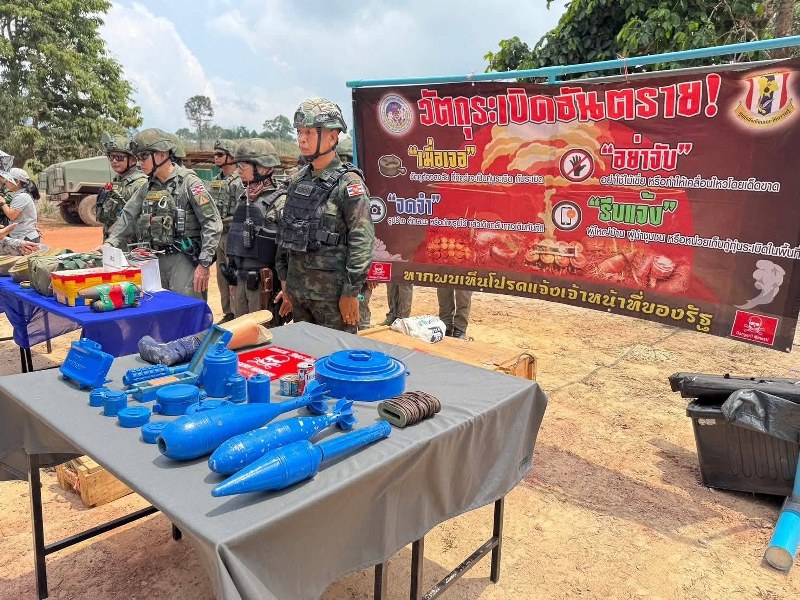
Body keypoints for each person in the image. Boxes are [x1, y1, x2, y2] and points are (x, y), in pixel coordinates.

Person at [275, 97, 375, 333]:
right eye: (299, 132)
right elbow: (287, 234)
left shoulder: (348, 184)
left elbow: (362, 241)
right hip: (299, 294)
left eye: (309, 132)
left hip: (333, 298)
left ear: (332, 136)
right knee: (303, 353)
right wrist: (286, 281)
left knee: (337, 354)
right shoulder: (297, 181)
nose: (302, 139)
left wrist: (351, 292)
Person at [104, 128, 222, 300]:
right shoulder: (148, 187)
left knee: (186, 309)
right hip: (155, 260)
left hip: (183, 259)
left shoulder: (189, 183)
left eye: (144, 157)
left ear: (162, 154)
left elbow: (212, 223)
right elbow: (129, 215)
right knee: (160, 309)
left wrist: (204, 264)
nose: (140, 163)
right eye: (138, 158)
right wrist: (111, 242)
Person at [226, 138, 290, 323]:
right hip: (241, 281)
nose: (239, 170)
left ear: (263, 168)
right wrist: (232, 279)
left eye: (244, 165)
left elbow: (287, 251)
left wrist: (287, 287)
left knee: (266, 331)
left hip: (266, 284)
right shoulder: (244, 199)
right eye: (238, 165)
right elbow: (236, 241)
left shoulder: (280, 202)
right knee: (241, 331)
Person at [209, 139, 245, 323]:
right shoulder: (215, 181)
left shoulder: (239, 182)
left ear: (231, 156)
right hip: (218, 236)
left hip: (232, 236)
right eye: (215, 154)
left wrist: (219, 222)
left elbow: (241, 212)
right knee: (221, 277)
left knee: (233, 277)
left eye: (220, 154)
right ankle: (228, 313)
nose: (216, 158)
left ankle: (237, 315)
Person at [96, 132, 148, 241]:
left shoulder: (141, 184)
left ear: (133, 159)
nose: (114, 161)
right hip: (112, 242)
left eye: (119, 157)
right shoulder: (117, 181)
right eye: (111, 157)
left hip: (130, 244)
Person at [0, 167, 40, 242]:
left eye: (7, 180)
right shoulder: (23, 194)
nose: (6, 183)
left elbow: (12, 215)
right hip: (24, 235)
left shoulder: (22, 196)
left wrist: (2, 202)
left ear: (17, 181)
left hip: (24, 237)